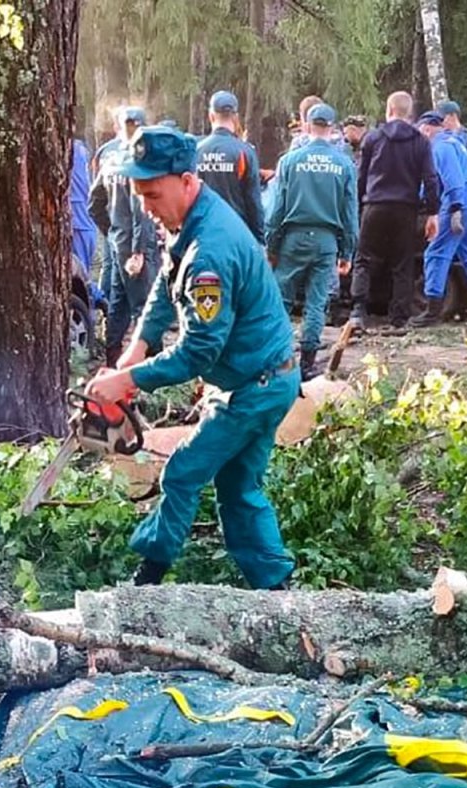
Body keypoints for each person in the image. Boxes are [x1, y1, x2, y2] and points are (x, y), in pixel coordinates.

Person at [87, 127, 298, 591]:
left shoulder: (211, 254)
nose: (145, 205)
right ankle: (277, 591)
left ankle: (147, 580)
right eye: (138, 193)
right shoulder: (191, 220)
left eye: (152, 193)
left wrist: (128, 383)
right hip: (263, 376)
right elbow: (166, 281)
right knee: (239, 487)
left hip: (253, 387)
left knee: (183, 471)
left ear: (186, 180)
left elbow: (200, 351)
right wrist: (137, 346)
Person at [265, 102, 358, 378]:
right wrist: (347, 251)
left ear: (307, 125)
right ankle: (307, 363)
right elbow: (350, 213)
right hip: (326, 241)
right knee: (316, 302)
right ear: (332, 128)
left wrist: (272, 245)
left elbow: (276, 210)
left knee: (282, 299)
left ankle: (277, 358)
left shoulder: (290, 161)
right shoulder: (344, 164)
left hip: (292, 238)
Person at [349, 91, 440, 332]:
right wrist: (433, 212)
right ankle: (399, 317)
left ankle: (358, 311)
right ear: (410, 114)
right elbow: (431, 179)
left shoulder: (373, 138)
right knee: (402, 263)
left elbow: (362, 176)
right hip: (405, 208)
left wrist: (360, 205)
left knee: (364, 258)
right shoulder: (421, 142)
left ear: (389, 110)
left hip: (375, 205)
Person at [412, 111, 467, 327]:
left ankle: (432, 310)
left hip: (459, 204)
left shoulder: (440, 147)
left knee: (436, 253)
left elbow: (453, 179)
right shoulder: (456, 143)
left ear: (426, 129)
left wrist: (456, 209)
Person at [92, 106, 161, 355]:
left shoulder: (111, 160)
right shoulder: (138, 161)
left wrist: (111, 232)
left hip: (118, 242)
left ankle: (111, 361)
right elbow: (139, 210)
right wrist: (138, 251)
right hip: (135, 247)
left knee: (118, 307)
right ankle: (154, 373)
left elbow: (94, 203)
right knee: (145, 308)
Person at [195, 90, 265, 242]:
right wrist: (259, 239)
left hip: (202, 233)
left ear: (211, 116)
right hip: (235, 234)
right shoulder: (244, 152)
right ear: (235, 117)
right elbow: (253, 201)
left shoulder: (197, 151)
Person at [70, 137, 99, 297]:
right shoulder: (80, 149)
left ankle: (97, 301)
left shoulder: (70, 151)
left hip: (78, 223)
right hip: (85, 222)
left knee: (79, 277)